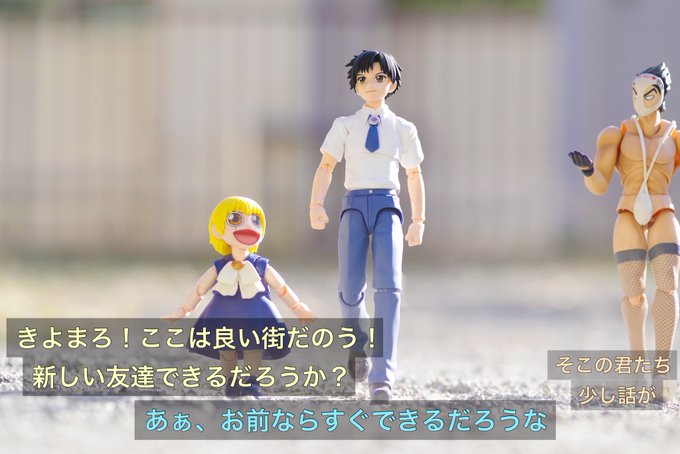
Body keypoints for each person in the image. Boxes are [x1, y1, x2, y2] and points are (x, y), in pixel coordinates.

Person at [309, 50, 425, 402]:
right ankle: (356, 339)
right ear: (355, 85)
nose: (370, 84)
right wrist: (316, 204)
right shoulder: (344, 126)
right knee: (349, 286)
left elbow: (414, 174)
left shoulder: (403, 129)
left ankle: (382, 375)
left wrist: (418, 219)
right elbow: (326, 166)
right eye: (362, 78)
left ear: (392, 83)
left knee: (389, 287)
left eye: (378, 77)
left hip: (388, 206)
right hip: (355, 206)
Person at [569, 63, 679, 400]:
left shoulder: (673, 138)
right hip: (629, 210)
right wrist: (589, 170)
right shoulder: (615, 135)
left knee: (668, 286)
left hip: (662, 209)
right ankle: (637, 368)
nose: (641, 99)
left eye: (649, 93)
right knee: (633, 293)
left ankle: (663, 372)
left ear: (661, 95)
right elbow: (601, 184)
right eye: (636, 92)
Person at [163, 196, 315, 397]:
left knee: (255, 345)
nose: (248, 226)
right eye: (235, 219)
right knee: (226, 349)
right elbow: (200, 288)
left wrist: (298, 307)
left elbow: (281, 287)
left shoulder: (261, 265)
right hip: (223, 313)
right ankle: (232, 382)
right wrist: (185, 309)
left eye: (255, 220)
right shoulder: (219, 266)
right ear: (218, 230)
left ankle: (252, 381)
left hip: (255, 313)